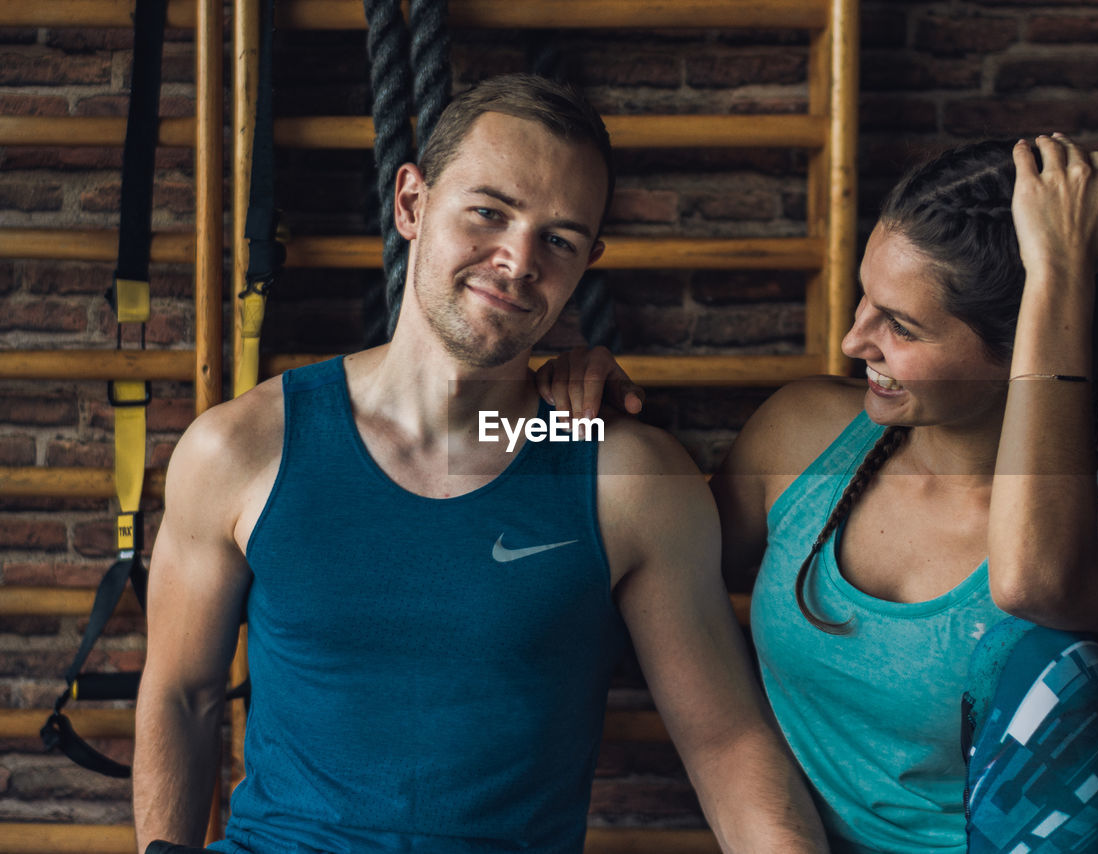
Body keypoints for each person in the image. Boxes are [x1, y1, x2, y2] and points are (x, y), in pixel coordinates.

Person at [132, 73, 829, 854]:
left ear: (585, 263)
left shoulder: (627, 480)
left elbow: (726, 743)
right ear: (411, 204)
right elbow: (182, 694)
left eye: (558, 239)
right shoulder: (240, 448)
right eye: (489, 212)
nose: (518, 259)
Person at [539, 135, 1098, 853]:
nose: (855, 339)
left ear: (1026, 349)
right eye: (869, 298)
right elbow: (657, 555)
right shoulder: (803, 436)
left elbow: (1034, 585)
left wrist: (1058, 276)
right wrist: (585, 421)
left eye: (901, 325)